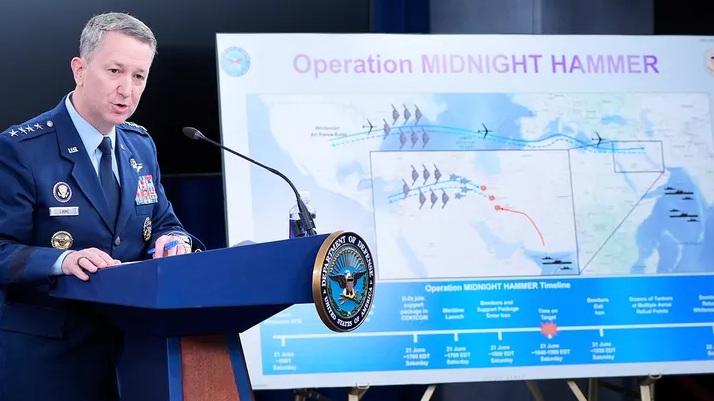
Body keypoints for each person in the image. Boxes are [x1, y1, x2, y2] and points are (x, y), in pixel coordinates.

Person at [0, 12, 204, 401]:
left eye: (139, 76)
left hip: (136, 355)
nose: (127, 89)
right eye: (114, 71)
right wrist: (63, 261)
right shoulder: (20, 149)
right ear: (80, 70)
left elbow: (163, 221)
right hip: (49, 362)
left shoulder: (140, 145)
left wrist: (174, 241)